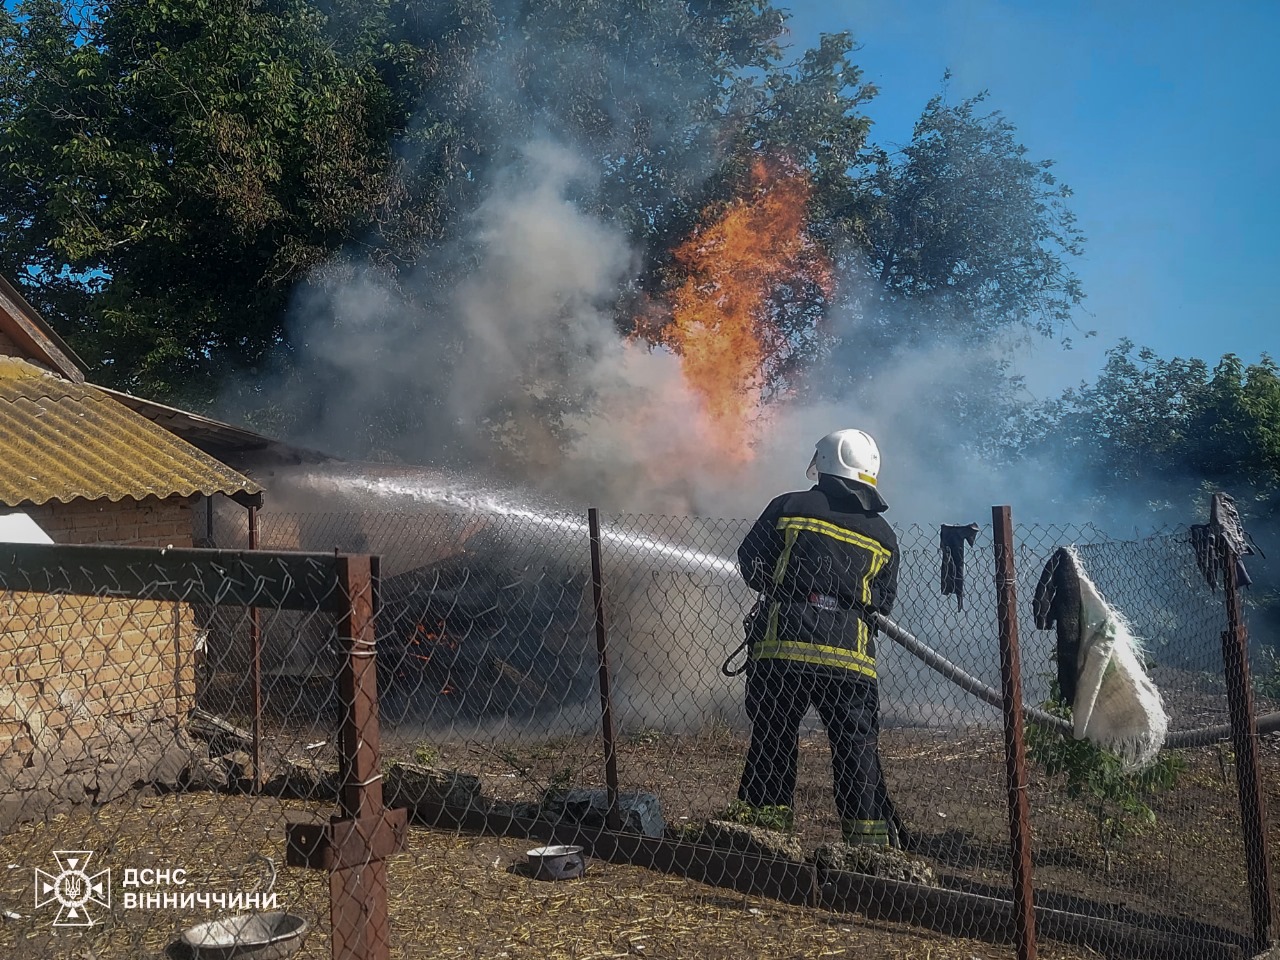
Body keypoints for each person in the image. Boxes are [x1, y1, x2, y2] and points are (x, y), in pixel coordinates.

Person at [734, 428, 904, 848]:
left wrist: (786, 587)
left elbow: (750, 561)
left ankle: (764, 838)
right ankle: (870, 853)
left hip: (784, 652)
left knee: (774, 739)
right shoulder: (884, 535)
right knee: (856, 753)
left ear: (826, 464)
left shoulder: (790, 506)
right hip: (851, 662)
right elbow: (883, 601)